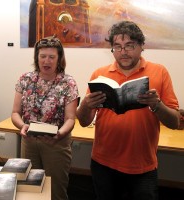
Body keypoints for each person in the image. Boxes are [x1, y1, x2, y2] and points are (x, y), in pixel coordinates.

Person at [76, 21, 180, 200]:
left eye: (129, 46)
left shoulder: (159, 72)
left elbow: (174, 122)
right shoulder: (99, 75)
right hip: (103, 162)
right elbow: (84, 121)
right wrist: (86, 104)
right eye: (117, 46)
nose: (123, 52)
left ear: (141, 47)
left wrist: (156, 104)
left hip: (143, 165)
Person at [11, 36, 79, 200]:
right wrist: (22, 125)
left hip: (56, 143)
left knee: (56, 190)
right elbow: (15, 113)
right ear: (37, 57)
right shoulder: (25, 79)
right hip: (30, 142)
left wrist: (60, 134)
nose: (46, 61)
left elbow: (71, 118)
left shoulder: (68, 83)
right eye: (42, 56)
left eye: (51, 57)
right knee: (31, 188)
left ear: (59, 59)